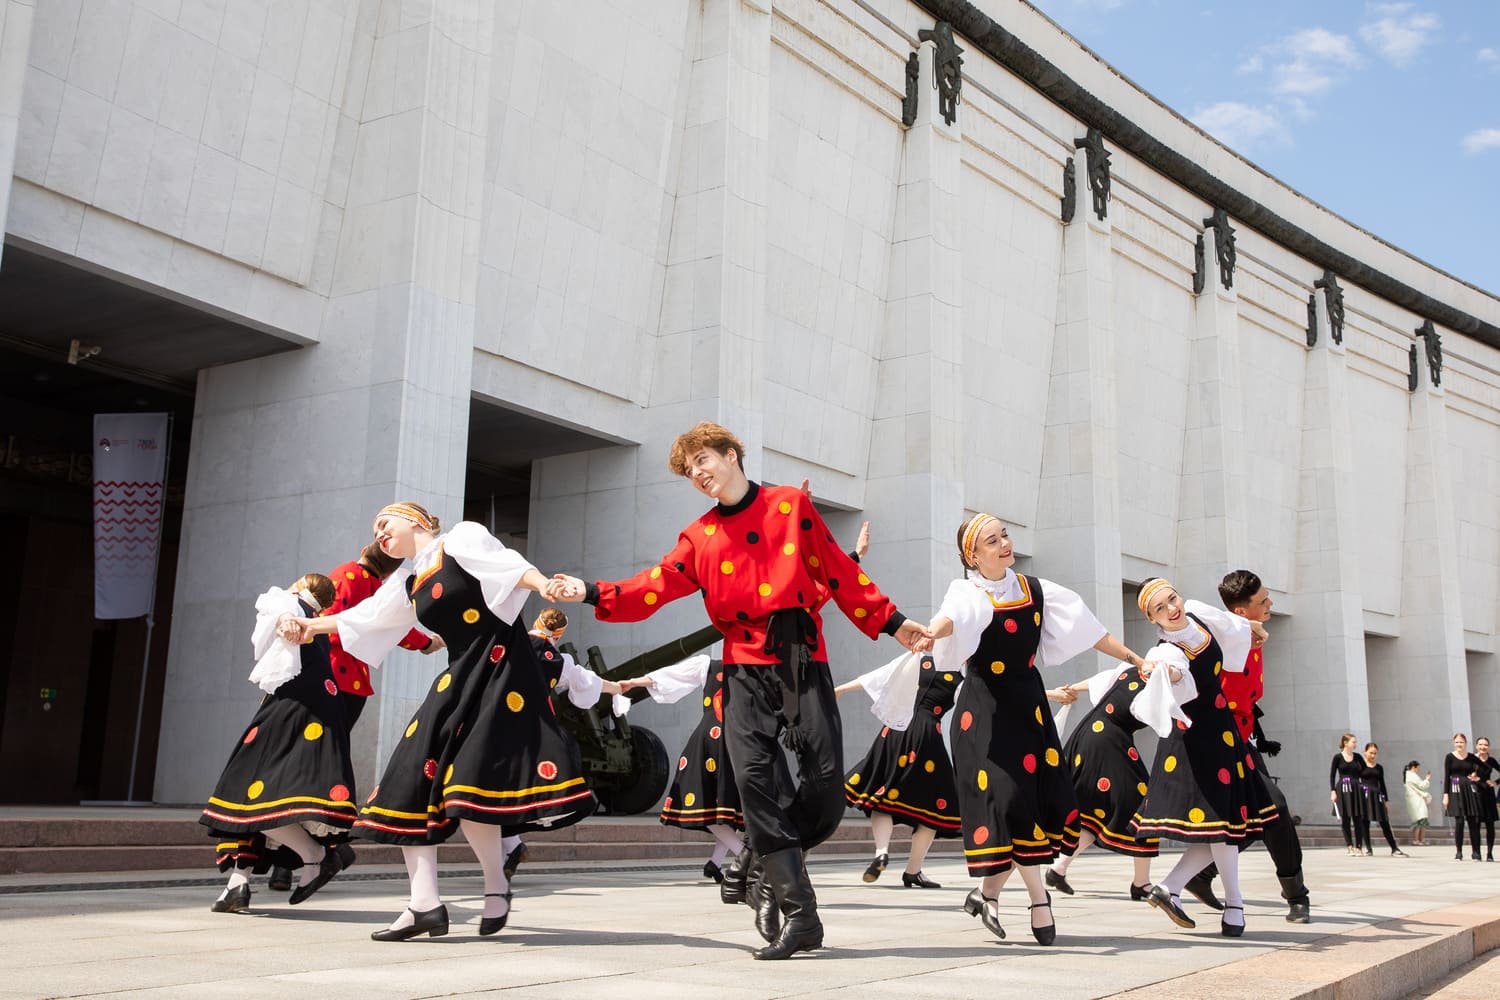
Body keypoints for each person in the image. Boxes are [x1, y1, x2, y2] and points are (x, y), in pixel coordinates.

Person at [549, 421, 929, 961]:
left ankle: (758, 860)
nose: (698, 474)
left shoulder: (790, 506)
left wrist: (895, 623)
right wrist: (589, 590)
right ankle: (801, 914)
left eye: (704, 460)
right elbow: (652, 588)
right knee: (753, 782)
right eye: (689, 470)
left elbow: (839, 569)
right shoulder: (699, 536)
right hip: (742, 665)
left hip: (800, 657)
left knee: (824, 786)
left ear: (731, 454)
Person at [280, 502, 592, 941]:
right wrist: (311, 627)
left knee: (468, 783)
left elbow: (506, 566)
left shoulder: (460, 539)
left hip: (499, 671)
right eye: (375, 529)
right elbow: (366, 617)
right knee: (408, 781)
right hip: (457, 678)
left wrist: (543, 584)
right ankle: (424, 904)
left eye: (384, 522)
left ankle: (495, 885)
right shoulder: (410, 580)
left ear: (416, 521)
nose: (379, 533)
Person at [918, 513, 1151, 946]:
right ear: (973, 554)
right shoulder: (966, 591)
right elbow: (950, 618)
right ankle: (1039, 900)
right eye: (992, 540)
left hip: (1029, 709)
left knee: (1032, 803)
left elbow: (1092, 631)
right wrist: (929, 634)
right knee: (1008, 798)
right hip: (984, 714)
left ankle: (985, 895)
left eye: (1004, 535)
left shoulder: (1036, 590)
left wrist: (1135, 660)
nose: (1004, 544)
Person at [268, 542, 444, 894]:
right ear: (393, 570)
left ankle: (297, 858)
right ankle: (302, 857)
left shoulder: (348, 574)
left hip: (328, 681)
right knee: (315, 767)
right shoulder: (377, 588)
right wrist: (424, 643)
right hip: (350, 686)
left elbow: (328, 621)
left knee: (301, 767)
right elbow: (386, 627)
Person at [199, 573, 358, 914]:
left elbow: (274, 601)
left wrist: (286, 616)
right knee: (260, 790)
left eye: (298, 581)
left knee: (249, 791)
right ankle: (237, 886)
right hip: (308, 706)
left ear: (304, 587)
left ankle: (315, 856)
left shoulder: (290, 604)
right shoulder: (314, 621)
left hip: (294, 708)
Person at [1129, 577, 1277, 938]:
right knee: (1225, 822)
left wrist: (1255, 627)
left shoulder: (1196, 612)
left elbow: (1231, 624)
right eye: (1160, 608)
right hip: (1196, 739)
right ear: (1152, 619)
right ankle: (1233, 903)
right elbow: (1172, 672)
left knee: (1225, 824)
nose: (1172, 608)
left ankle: (1174, 887)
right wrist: (1169, 673)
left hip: (1222, 729)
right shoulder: (1166, 650)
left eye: (1172, 599)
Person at [1185, 571, 1311, 923]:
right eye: (1263, 601)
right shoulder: (1220, 636)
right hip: (1221, 741)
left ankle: (1201, 876)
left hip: (1245, 737)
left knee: (1257, 818)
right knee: (1276, 808)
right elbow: (1193, 607)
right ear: (1241, 613)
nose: (1271, 604)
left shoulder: (1250, 637)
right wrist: (1244, 629)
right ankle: (1297, 896)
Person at [614, 651, 745, 884]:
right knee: (712, 805)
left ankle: (716, 863)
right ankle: (746, 856)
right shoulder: (711, 666)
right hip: (719, 743)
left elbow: (671, 676)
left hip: (729, 740)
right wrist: (634, 682)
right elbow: (671, 675)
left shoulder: (733, 667)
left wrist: (634, 682)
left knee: (728, 809)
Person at [1044, 661, 1168, 905]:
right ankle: (1141, 883)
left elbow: (1099, 680)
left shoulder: (1128, 670)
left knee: (1094, 809)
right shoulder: (1165, 681)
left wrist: (1072, 689)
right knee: (1144, 806)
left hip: (1089, 735)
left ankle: (1058, 868)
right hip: (1108, 742)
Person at [836, 652, 962, 890]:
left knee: (882, 791)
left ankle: (881, 851)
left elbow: (880, 676)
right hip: (927, 735)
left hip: (895, 729)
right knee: (936, 804)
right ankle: (913, 870)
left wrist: (841, 689)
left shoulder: (919, 659)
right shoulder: (961, 681)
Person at [1358, 742, 1407, 857]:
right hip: (1365, 795)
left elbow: (1382, 784)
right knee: (1364, 822)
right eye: (1371, 753)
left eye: (1375, 753)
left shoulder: (1379, 767)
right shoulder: (1360, 766)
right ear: (1365, 752)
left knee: (1384, 822)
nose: (1373, 755)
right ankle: (1368, 848)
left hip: (1377, 795)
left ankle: (1394, 848)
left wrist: (1386, 800)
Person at [1443, 733, 1485, 862]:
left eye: (1461, 742)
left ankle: (1476, 852)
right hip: (1455, 788)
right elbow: (1447, 776)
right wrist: (1445, 795)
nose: (1459, 744)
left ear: (1466, 743)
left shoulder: (1472, 757)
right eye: (1457, 742)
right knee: (1459, 821)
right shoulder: (1449, 757)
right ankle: (1459, 852)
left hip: (1469, 788)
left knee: (1473, 820)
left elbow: (1484, 768)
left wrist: (1476, 775)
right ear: (1454, 743)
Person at [1474, 737, 1499, 861]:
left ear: (1488, 746)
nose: (1482, 747)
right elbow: (1465, 773)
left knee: (1490, 825)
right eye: (1480, 744)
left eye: (1485, 745)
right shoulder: (1472, 759)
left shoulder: (1492, 760)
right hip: (1476, 793)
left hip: (1488, 794)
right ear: (1476, 745)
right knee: (1476, 824)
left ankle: (1489, 853)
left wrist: (1496, 782)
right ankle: (1477, 853)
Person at [1404, 761, 1431, 847]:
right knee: (1419, 820)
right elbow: (1422, 785)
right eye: (1418, 768)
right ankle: (1416, 840)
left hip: (1416, 799)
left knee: (1422, 819)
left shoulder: (1408, 775)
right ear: (1413, 767)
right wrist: (1427, 779)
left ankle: (1421, 839)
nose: (1418, 770)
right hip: (1416, 800)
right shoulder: (1411, 776)